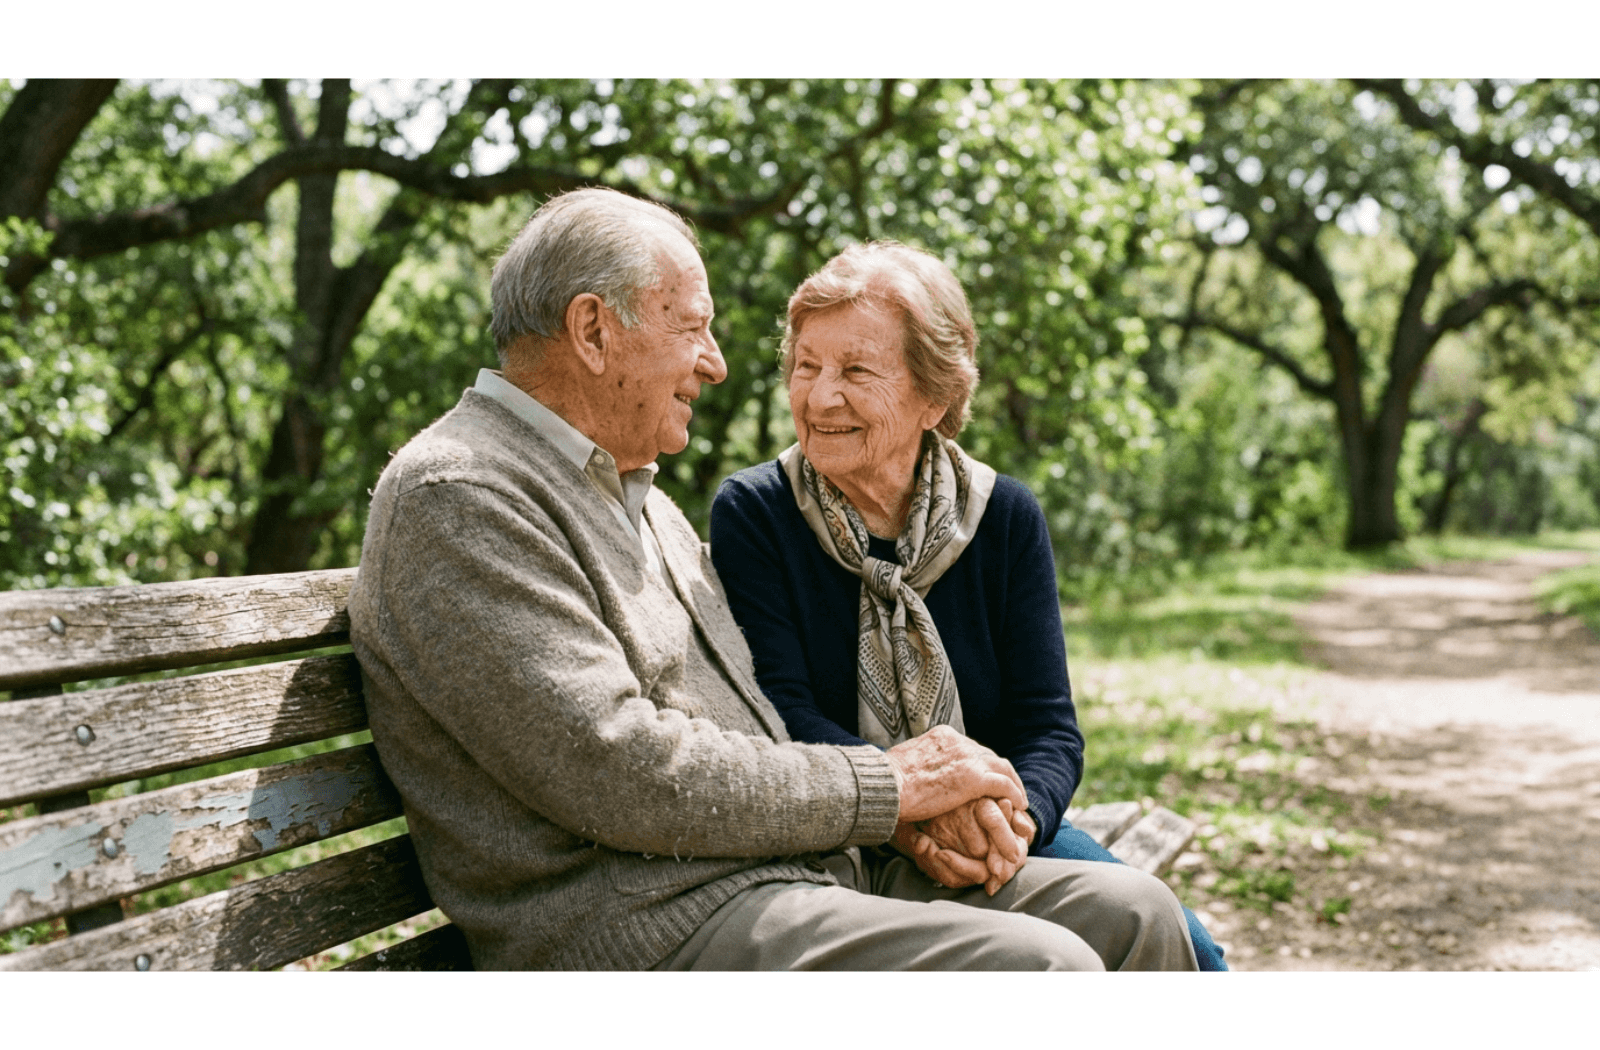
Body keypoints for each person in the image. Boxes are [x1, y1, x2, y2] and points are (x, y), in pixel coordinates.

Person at [348, 188, 1197, 971]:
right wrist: (895, 787)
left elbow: (756, 721)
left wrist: (941, 810)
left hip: (778, 875)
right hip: (648, 926)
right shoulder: (462, 494)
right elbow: (617, 769)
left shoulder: (635, 498)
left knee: (1136, 914)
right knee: (1045, 974)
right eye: (693, 328)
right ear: (594, 330)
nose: (716, 364)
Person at [708, 240, 1227, 970]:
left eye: (856, 370)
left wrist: (1011, 820)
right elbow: (782, 712)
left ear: (936, 395)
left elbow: (1047, 727)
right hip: (845, 828)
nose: (821, 396)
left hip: (990, 826)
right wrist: (911, 808)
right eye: (806, 366)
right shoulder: (756, 511)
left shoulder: (1004, 515)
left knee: (1177, 936)